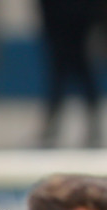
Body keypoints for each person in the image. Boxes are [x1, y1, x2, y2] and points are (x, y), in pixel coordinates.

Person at [39, 0, 104, 148]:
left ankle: (93, 126)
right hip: (59, 20)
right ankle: (52, 126)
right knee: (60, 71)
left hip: (80, 21)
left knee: (80, 70)